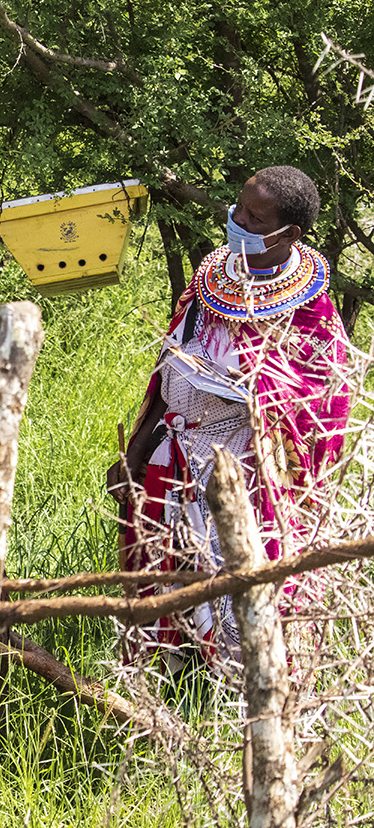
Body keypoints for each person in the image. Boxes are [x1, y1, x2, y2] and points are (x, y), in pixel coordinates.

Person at [108, 165, 351, 667]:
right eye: (239, 207)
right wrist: (133, 455)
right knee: (165, 580)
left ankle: (239, 696)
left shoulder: (309, 313)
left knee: (236, 589)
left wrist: (257, 393)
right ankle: (171, 681)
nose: (236, 219)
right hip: (171, 455)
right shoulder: (210, 279)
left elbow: (319, 406)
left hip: (243, 469)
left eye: (253, 218)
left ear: (289, 235)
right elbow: (167, 370)